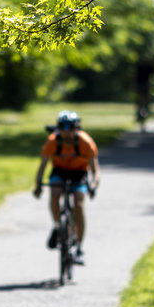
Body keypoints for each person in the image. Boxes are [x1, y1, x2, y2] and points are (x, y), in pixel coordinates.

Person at [33, 110, 100, 264]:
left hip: (80, 173)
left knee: (79, 204)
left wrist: (93, 185)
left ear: (77, 128)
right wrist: (38, 185)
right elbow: (42, 166)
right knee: (55, 193)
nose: (67, 132)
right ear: (58, 128)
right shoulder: (52, 142)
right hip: (60, 172)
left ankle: (79, 248)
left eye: (71, 128)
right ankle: (58, 227)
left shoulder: (85, 143)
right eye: (63, 128)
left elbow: (95, 170)